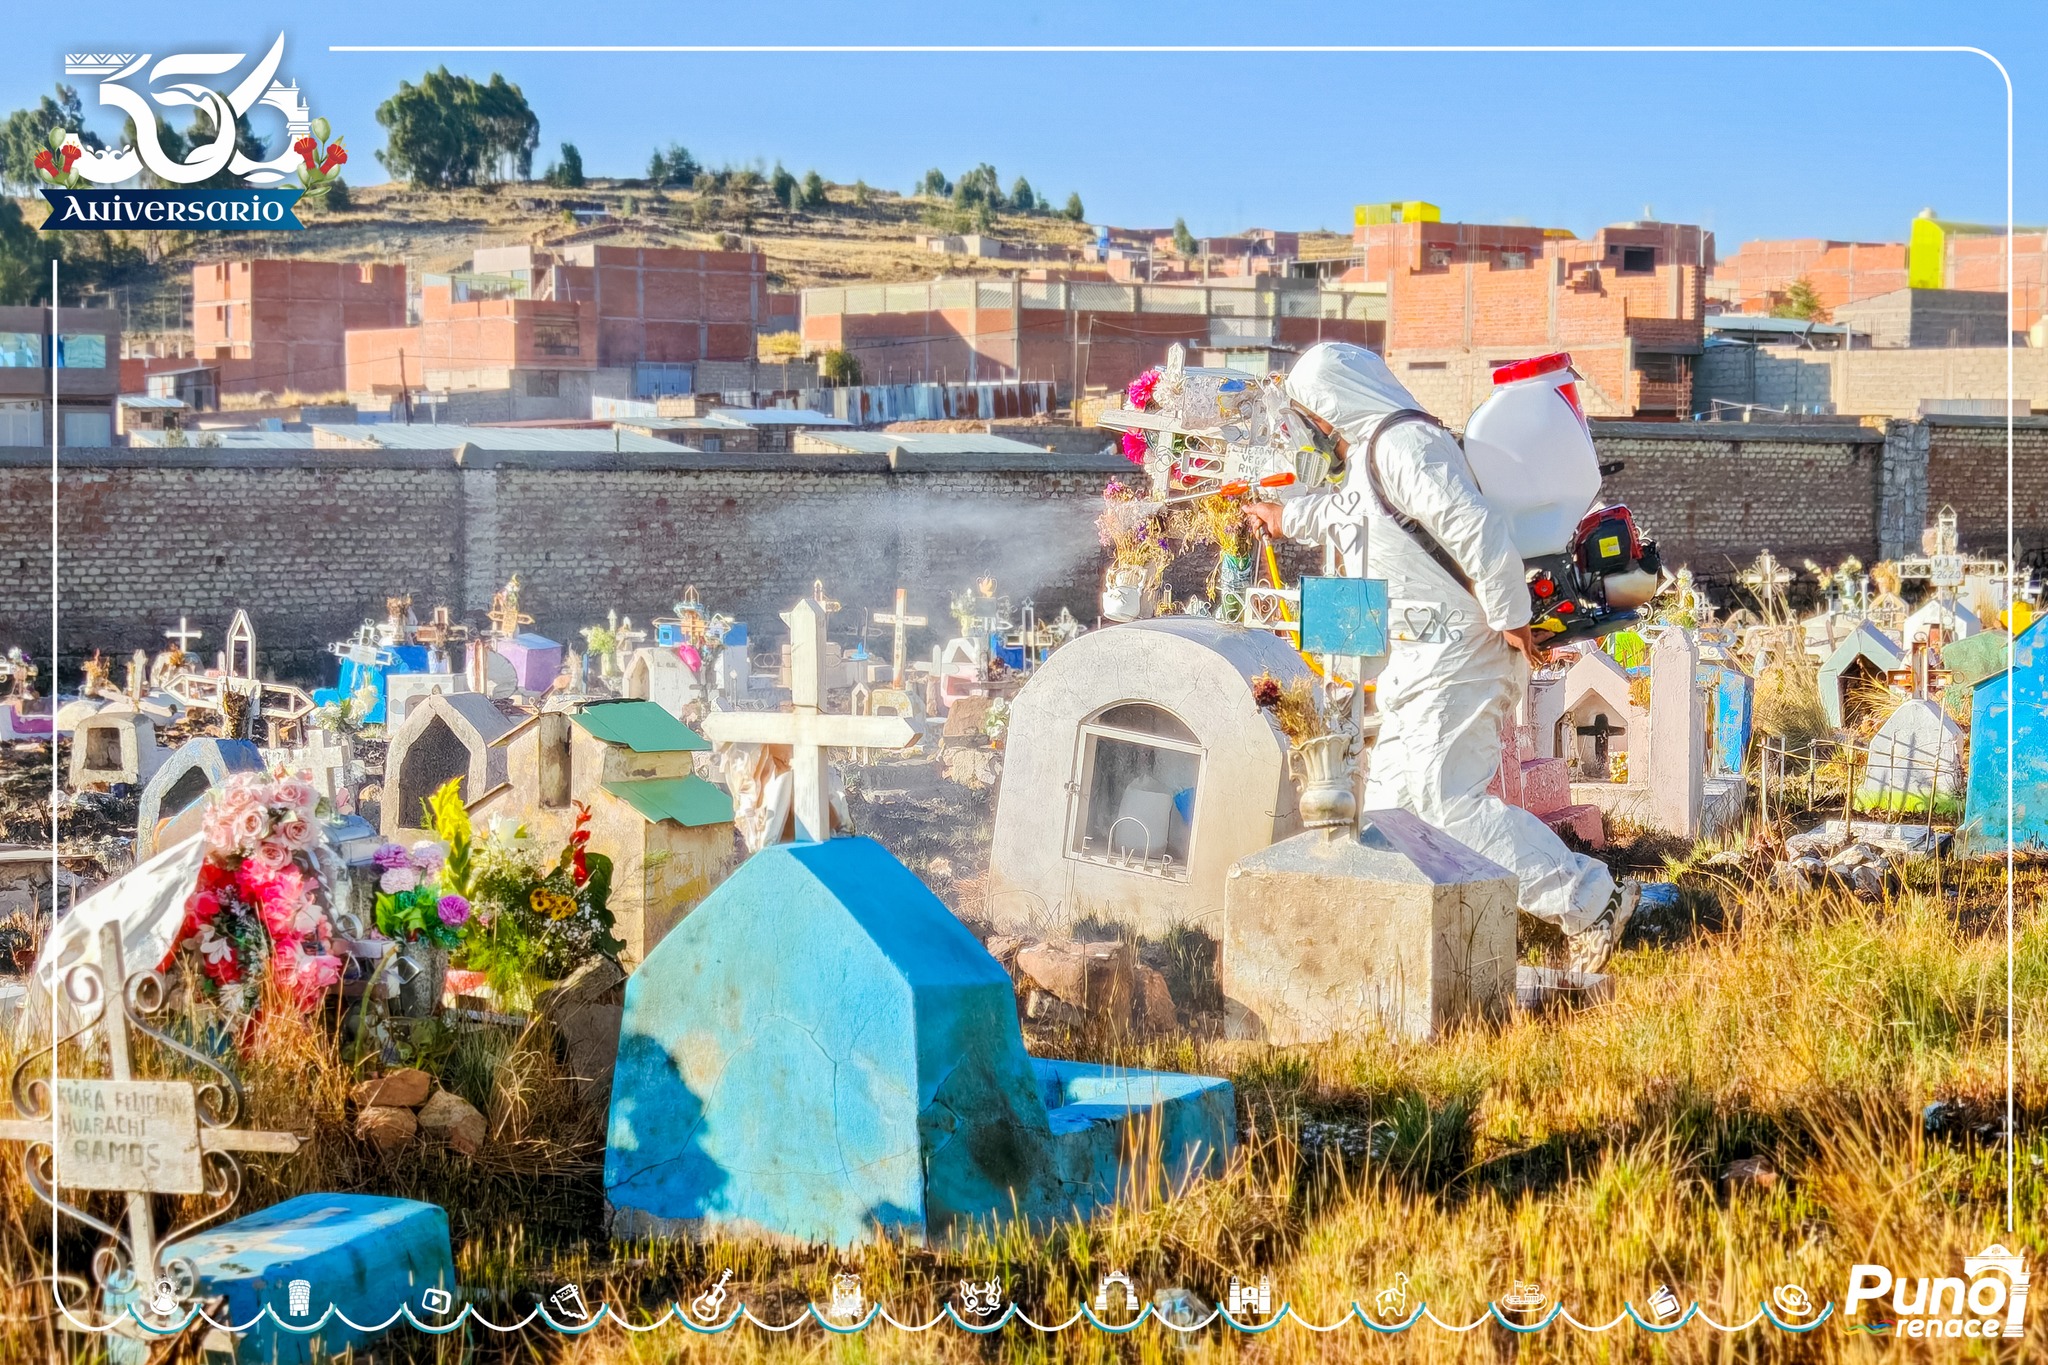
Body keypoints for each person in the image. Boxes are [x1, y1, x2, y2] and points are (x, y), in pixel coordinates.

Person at [1246, 342, 1635, 970]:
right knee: (1393, 813)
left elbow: (1476, 529)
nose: (1314, 428)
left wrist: (1512, 619)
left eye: (1312, 413)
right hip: (1423, 658)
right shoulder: (1380, 451)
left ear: (1331, 404)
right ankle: (1425, 948)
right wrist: (1282, 517)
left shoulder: (1405, 446)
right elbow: (1350, 514)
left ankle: (1590, 901)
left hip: (1457, 653)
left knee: (1447, 804)